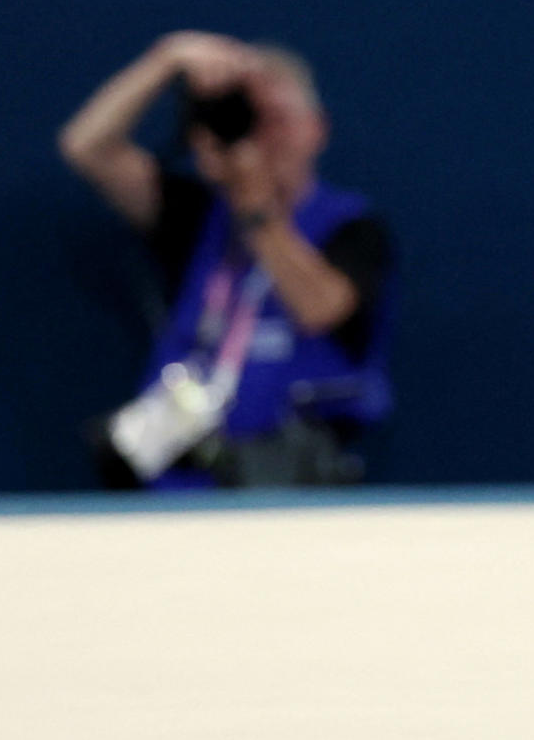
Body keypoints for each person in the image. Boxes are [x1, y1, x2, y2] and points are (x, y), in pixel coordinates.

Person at [57, 32, 396, 489]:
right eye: (250, 121)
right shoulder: (197, 216)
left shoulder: (352, 229)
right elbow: (87, 146)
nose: (265, 138)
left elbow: (320, 309)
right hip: (174, 481)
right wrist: (167, 58)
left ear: (317, 127)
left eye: (279, 119)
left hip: (290, 484)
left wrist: (257, 211)